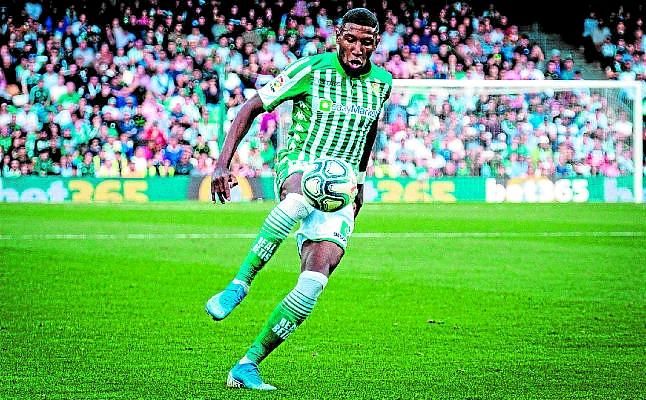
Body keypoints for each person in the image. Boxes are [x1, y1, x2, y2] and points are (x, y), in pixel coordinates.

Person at [206, 8, 392, 391]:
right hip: (300, 163)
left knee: (313, 281)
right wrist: (222, 163)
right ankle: (239, 284)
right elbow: (251, 106)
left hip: (342, 185)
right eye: (351, 39)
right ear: (338, 36)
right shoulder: (312, 69)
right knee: (299, 199)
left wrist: (360, 181)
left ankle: (247, 364)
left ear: (376, 43)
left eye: (367, 41)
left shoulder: (382, 82)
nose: (358, 48)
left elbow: (370, 129)